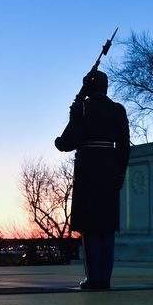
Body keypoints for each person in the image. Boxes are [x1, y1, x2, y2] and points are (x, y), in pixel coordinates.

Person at [55, 70, 130, 290]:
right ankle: (104, 277)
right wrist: (120, 174)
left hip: (88, 170)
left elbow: (66, 142)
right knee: (106, 225)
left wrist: (77, 106)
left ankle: (93, 277)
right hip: (109, 170)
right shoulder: (117, 109)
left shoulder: (84, 108)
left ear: (89, 87)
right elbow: (124, 146)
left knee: (90, 225)